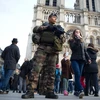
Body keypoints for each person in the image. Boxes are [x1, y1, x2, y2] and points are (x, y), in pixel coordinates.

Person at [21, 13, 66, 99]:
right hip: (42, 49)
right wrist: (45, 28)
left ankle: (49, 91)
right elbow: (35, 30)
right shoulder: (44, 26)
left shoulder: (58, 28)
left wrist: (59, 33)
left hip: (53, 51)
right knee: (36, 70)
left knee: (51, 72)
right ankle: (30, 91)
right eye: (53, 17)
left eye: (56, 18)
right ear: (49, 18)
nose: (55, 19)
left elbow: (63, 40)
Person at [68, 29, 91, 99]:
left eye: (79, 32)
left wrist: (88, 58)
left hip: (82, 60)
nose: (78, 33)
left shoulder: (82, 42)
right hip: (74, 59)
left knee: (78, 76)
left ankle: (76, 91)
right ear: (74, 34)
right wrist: (78, 40)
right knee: (77, 73)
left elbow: (85, 51)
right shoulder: (72, 41)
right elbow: (73, 48)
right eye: (76, 32)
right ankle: (81, 90)